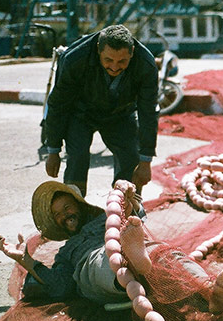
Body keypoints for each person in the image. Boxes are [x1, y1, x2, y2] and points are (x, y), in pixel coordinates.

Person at [0, 180, 223, 311]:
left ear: (78, 206)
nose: (64, 214)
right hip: (94, 266)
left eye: (67, 207)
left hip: (129, 245)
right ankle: (131, 258)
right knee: (106, 261)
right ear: (56, 223)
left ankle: (209, 293)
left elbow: (138, 216)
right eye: (58, 214)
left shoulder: (104, 218)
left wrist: (129, 199)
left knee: (166, 254)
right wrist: (22, 258)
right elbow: (61, 287)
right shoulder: (66, 252)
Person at [44, 24, 159, 196]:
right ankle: (76, 209)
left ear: (132, 52)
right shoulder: (74, 59)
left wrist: (145, 161)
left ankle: (125, 208)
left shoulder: (145, 64)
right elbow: (58, 105)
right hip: (80, 113)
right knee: (77, 157)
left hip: (120, 114)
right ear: (98, 49)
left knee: (130, 158)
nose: (114, 67)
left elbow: (148, 112)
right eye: (108, 60)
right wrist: (53, 150)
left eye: (122, 61)